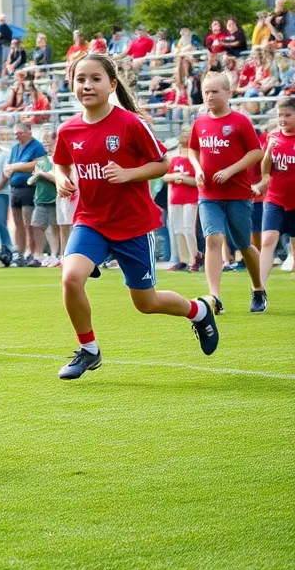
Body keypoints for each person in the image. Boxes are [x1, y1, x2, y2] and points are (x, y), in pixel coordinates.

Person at [53, 54, 220, 381]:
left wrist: (129, 173)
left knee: (145, 302)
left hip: (132, 226)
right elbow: (61, 163)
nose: (87, 85)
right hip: (90, 221)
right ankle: (89, 351)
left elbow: (163, 164)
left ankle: (198, 311)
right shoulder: (68, 129)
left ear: (112, 84)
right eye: (80, 79)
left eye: (95, 78)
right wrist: (61, 178)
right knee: (71, 277)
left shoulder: (130, 123)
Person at [188, 72, 266, 313]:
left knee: (244, 244)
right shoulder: (200, 122)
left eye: (214, 91)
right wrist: (198, 168)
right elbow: (192, 149)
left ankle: (258, 289)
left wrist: (231, 170)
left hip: (238, 194)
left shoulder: (240, 121)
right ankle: (214, 298)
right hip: (209, 194)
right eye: (206, 92)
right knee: (213, 239)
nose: (209, 96)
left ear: (228, 93)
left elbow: (256, 153)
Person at [254, 98, 295, 295]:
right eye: (280, 115)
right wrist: (269, 150)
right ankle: (259, 289)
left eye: (288, 115)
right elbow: (266, 171)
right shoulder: (272, 137)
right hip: (275, 198)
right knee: (268, 239)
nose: (283, 119)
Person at [5, 121, 46, 265]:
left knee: (29, 223)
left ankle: (32, 251)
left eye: (20, 133)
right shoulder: (15, 147)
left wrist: (16, 167)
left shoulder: (37, 146)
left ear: (29, 131)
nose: (17, 136)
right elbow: (10, 166)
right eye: (15, 133)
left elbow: (37, 164)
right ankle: (20, 252)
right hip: (15, 188)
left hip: (29, 187)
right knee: (17, 223)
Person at [163, 130, 200, 272]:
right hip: (175, 198)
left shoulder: (195, 158)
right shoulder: (175, 158)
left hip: (190, 198)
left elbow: (197, 181)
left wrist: (184, 179)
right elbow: (165, 177)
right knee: (178, 230)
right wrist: (176, 176)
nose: (184, 136)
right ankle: (183, 259)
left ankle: (194, 257)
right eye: (183, 133)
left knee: (188, 229)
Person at [28, 129, 60, 265]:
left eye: (49, 143)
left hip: (54, 199)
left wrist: (42, 174)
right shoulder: (41, 161)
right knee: (36, 225)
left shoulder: (57, 161)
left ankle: (54, 255)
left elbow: (57, 179)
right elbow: (31, 180)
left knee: (54, 227)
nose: (46, 146)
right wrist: (35, 176)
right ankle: (39, 254)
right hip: (41, 199)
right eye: (44, 143)